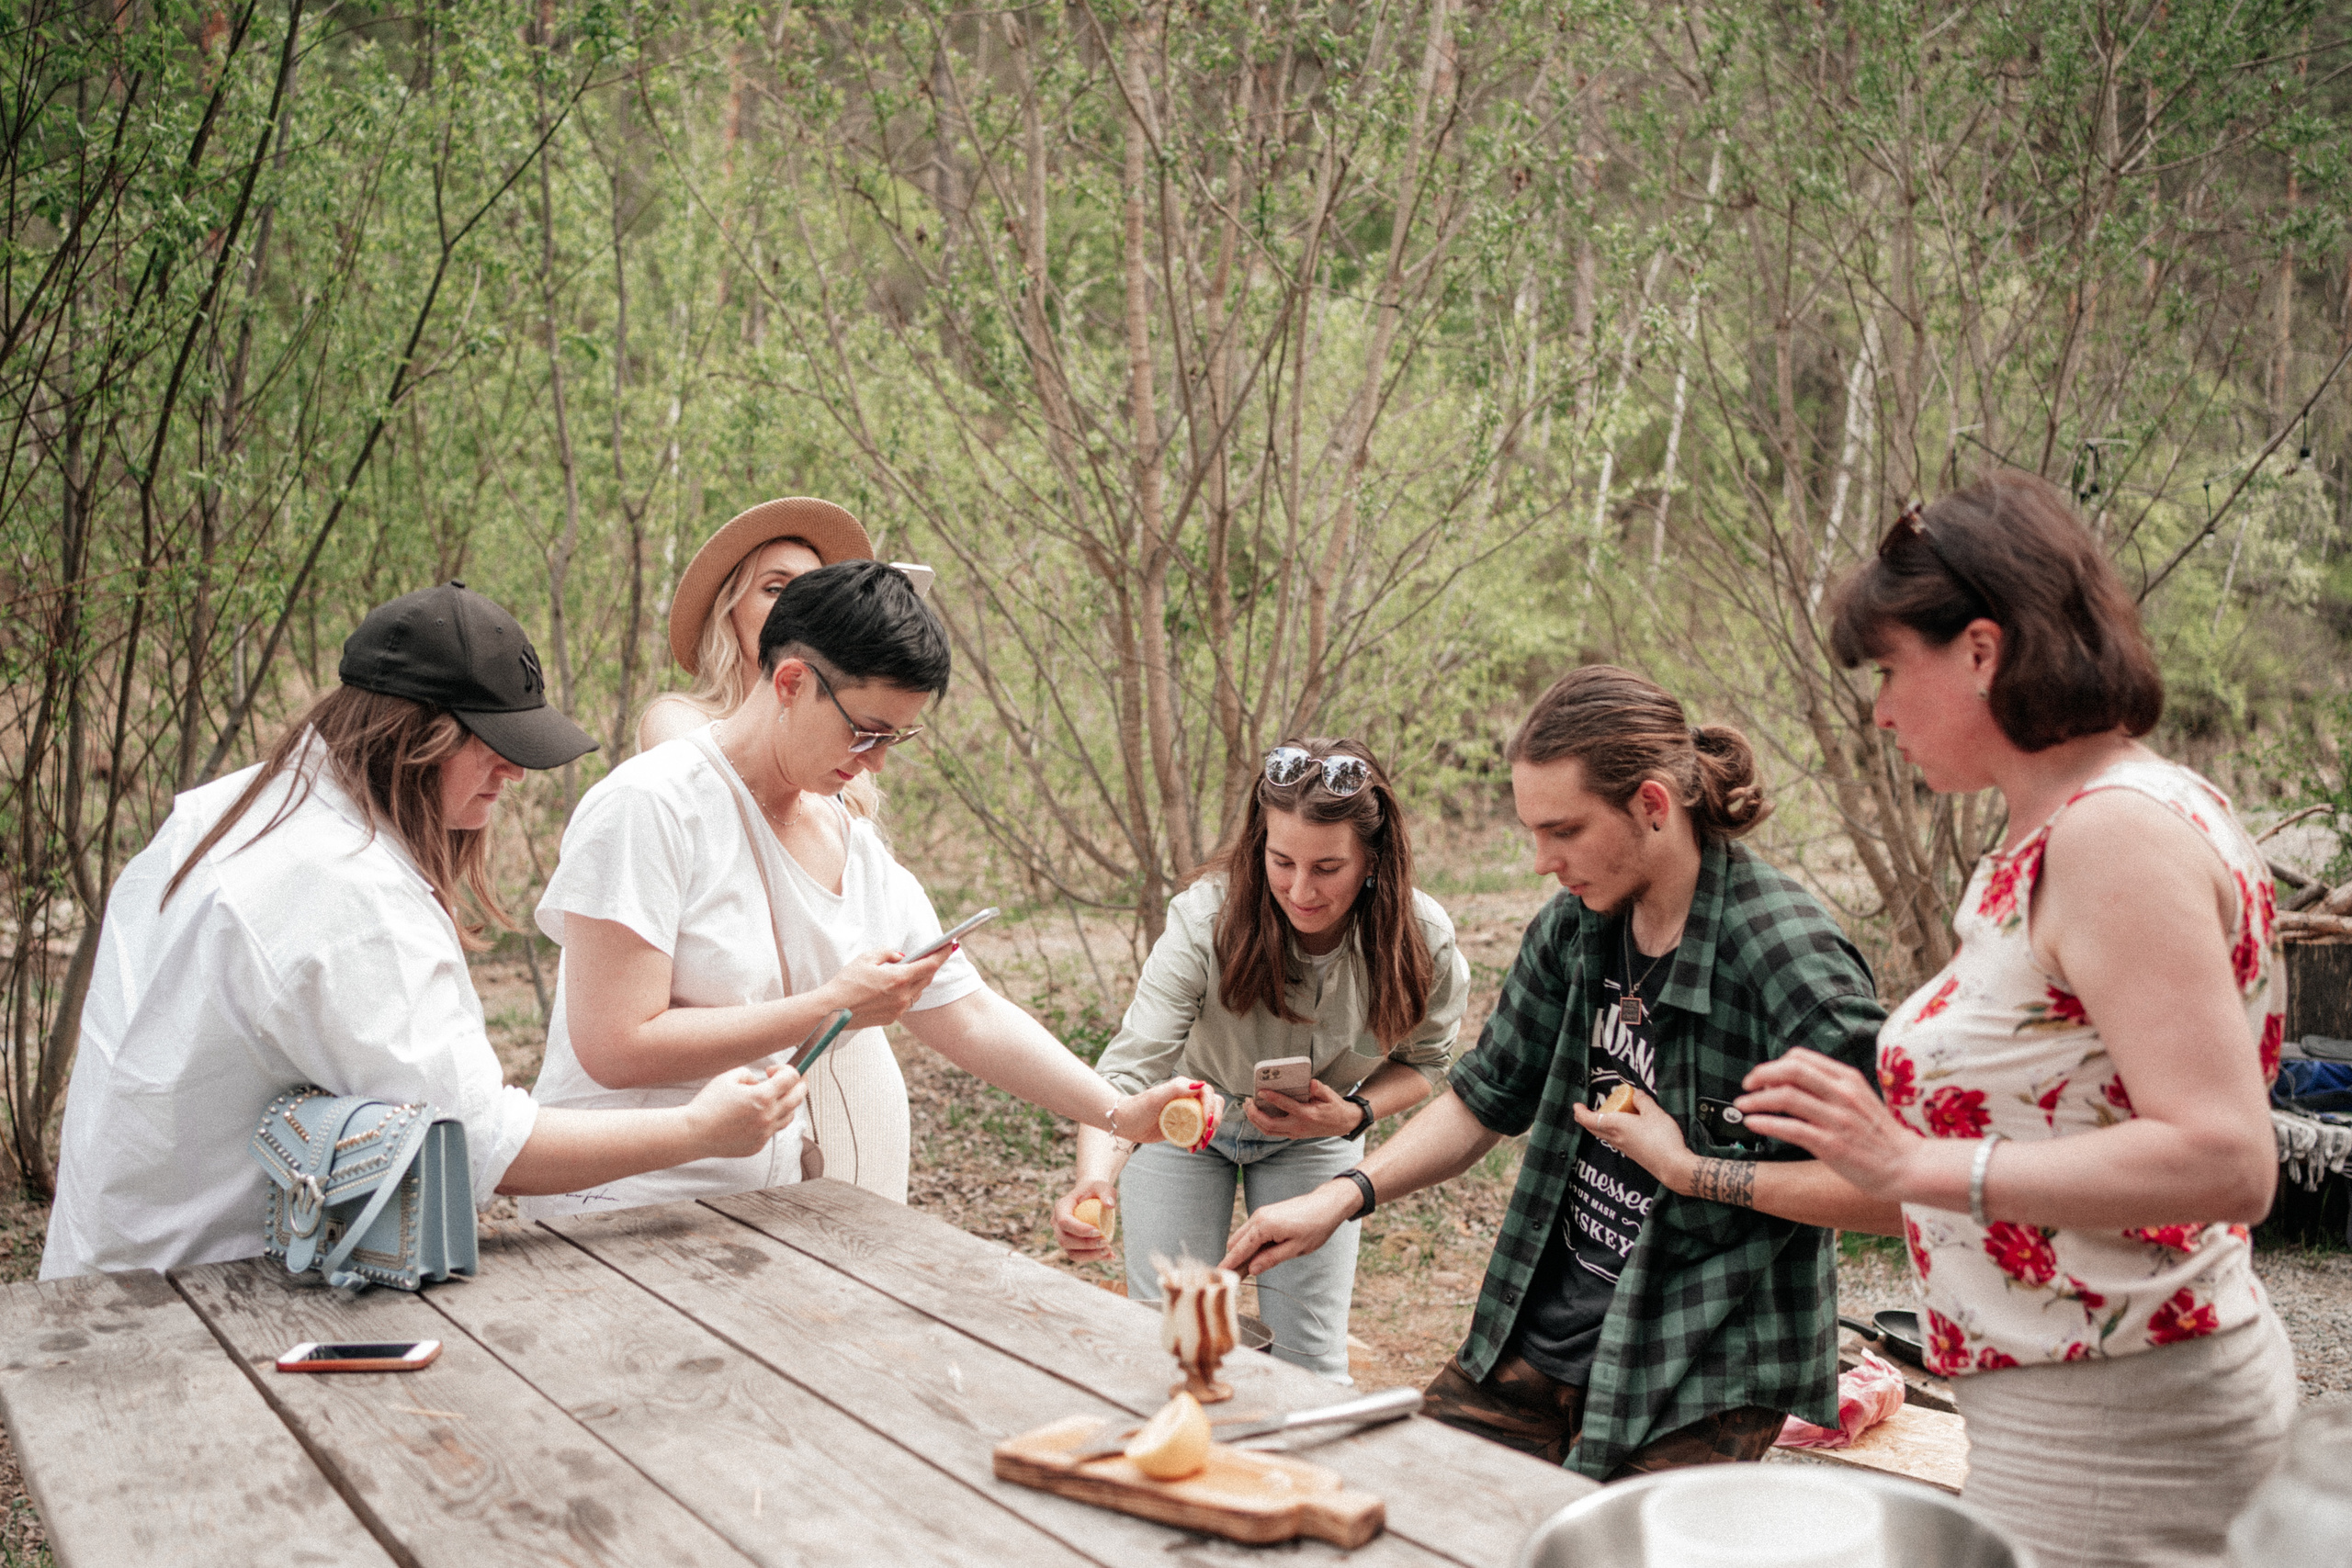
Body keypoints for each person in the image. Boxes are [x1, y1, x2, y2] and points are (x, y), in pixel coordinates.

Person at [1598, 474, 2289, 1568]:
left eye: (1888, 670)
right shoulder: (2069, 820)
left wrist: (1918, 1163)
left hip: (2120, 1412)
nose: (1877, 710)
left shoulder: (2113, 835)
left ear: (1980, 649)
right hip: (2064, 1399)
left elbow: (2226, 1158)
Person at [1222, 667, 1886, 1480]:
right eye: (1533, 830)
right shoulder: (1576, 925)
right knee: (1407, 1499)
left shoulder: (1788, 960)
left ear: (1652, 805)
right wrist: (1340, 1196)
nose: (1541, 860)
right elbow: (1485, 1094)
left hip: (1703, 1359)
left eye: (1563, 830)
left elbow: (1899, 1189)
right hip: (1547, 1320)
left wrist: (1691, 1170)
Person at [42, 583, 802, 1280]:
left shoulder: (235, 807)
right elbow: (472, 1144)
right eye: (493, 744)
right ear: (412, 732)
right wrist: (700, 1129)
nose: (515, 773)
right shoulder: (347, 890)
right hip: (197, 1286)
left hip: (112, 1239)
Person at [524, 558, 1207, 1216]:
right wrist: (829, 1005)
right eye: (865, 731)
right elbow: (615, 1044)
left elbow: (967, 1013)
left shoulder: (847, 837)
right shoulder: (650, 806)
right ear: (791, 682)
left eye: (896, 737)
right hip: (615, 1206)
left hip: (761, 1200)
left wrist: (1118, 1111)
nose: (877, 759)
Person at [1050, 739, 1470, 1382]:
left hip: (1313, 1139)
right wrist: (1094, 1177)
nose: (1300, 889)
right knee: (1174, 1343)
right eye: (1282, 861)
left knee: (1310, 1361)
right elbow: (1126, 1075)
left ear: (1373, 861)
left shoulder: (1424, 939)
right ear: (1260, 848)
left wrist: (1352, 1114)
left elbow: (1427, 1061)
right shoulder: (1203, 919)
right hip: (1183, 1125)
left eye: (1327, 867)